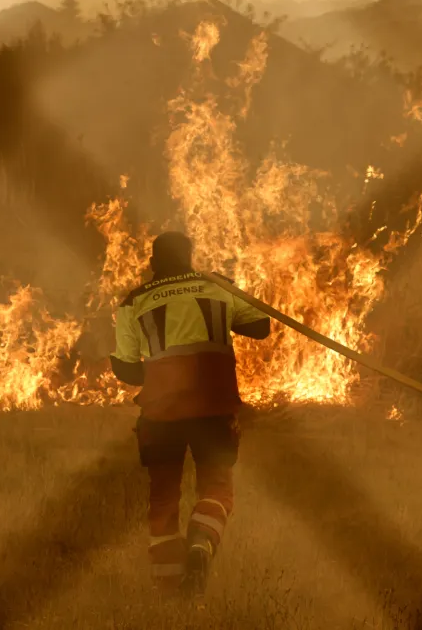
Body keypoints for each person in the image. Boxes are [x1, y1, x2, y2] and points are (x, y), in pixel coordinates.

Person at [109, 231, 271, 597]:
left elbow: (128, 370)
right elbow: (261, 327)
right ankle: (201, 546)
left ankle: (171, 591)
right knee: (216, 486)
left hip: (162, 413)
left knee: (163, 496)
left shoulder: (133, 302)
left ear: (152, 263)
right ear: (190, 258)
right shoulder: (216, 287)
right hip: (213, 407)